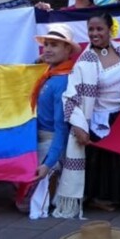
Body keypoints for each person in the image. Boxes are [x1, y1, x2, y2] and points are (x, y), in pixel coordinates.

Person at [56, 13, 120, 217]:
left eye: (99, 29)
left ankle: (117, 195)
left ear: (109, 29)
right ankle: (97, 198)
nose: (95, 33)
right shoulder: (84, 62)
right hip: (97, 119)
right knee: (102, 162)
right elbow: (70, 97)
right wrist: (79, 126)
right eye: (91, 30)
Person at [14, 23, 80, 213]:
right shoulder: (49, 73)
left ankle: (54, 178)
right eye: (47, 45)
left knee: (25, 205)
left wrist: (48, 163)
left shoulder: (62, 81)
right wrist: (39, 61)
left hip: (50, 143)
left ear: (68, 49)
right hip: (37, 138)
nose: (48, 49)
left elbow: (61, 127)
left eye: (55, 45)